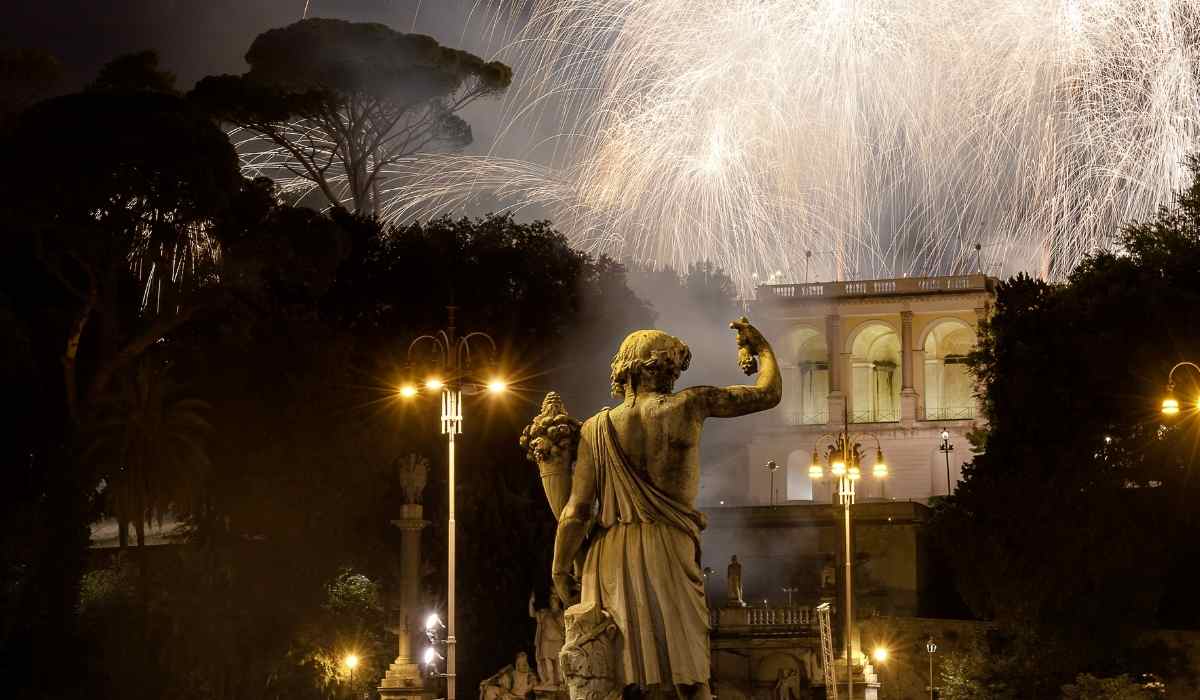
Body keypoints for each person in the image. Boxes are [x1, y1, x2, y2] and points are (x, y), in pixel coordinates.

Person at [552, 318, 781, 700]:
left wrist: (560, 566)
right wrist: (762, 349)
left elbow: (576, 512)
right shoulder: (690, 406)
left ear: (625, 370)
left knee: (617, 672)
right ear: (667, 368)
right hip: (670, 547)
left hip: (610, 554)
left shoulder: (595, 428)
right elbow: (768, 393)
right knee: (687, 672)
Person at [529, 591, 566, 687]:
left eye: (554, 601)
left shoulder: (561, 613)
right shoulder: (545, 612)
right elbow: (533, 614)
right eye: (551, 601)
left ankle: (560, 679)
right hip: (545, 640)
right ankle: (550, 679)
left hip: (557, 639)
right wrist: (531, 602)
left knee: (558, 660)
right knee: (546, 659)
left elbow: (563, 625)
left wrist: (556, 616)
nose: (552, 603)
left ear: (558, 602)